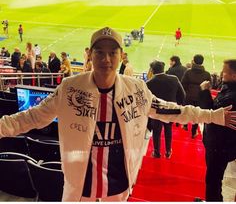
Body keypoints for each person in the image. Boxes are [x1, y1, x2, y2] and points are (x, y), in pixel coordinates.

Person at [0, 26, 236, 202]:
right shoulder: (70, 89)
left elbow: (171, 110)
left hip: (119, 187)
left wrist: (213, 116)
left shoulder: (136, 90)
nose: (106, 59)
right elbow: (32, 117)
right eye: (99, 52)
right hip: (78, 190)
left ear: (121, 56)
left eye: (113, 52)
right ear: (90, 56)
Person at [199, 59, 236, 202]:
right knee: (214, 179)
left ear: (234, 76)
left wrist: (204, 91)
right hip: (222, 145)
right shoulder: (230, 90)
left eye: (224, 71)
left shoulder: (232, 96)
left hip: (220, 146)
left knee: (213, 182)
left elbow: (211, 114)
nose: (221, 74)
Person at [146, 60, 186, 159]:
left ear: (152, 70)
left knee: (156, 132)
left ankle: (156, 152)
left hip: (157, 111)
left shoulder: (149, 83)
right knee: (168, 130)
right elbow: (183, 95)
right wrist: (176, 105)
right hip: (170, 110)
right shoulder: (174, 79)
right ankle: (168, 151)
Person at [181, 54, 211, 138]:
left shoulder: (188, 72)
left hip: (189, 96)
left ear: (193, 61)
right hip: (200, 98)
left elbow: (183, 84)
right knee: (197, 114)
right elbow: (208, 87)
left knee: (187, 110)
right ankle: (194, 132)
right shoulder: (207, 74)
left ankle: (185, 124)